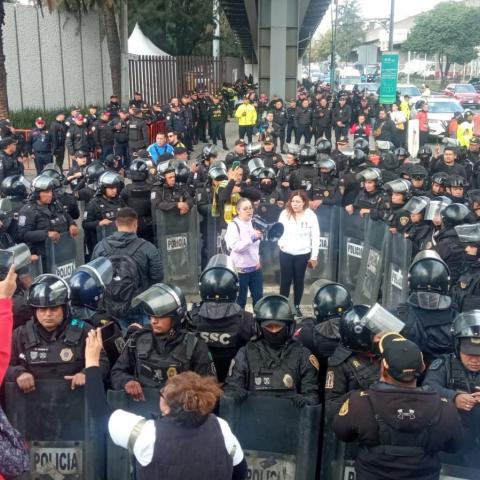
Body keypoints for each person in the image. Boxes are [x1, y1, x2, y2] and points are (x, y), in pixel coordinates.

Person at [86, 329, 247, 480]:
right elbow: (240, 472)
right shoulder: (221, 427)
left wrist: (92, 361)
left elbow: (99, 411)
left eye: (163, 392)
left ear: (165, 404)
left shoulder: (147, 435)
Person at [334, 333, 463, 480]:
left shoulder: (359, 402)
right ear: (422, 367)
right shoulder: (445, 407)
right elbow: (455, 446)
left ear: (383, 367)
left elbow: (341, 433)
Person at [6, 274, 110, 392]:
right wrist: (18, 374)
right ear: (35, 311)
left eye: (54, 309)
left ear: (64, 309)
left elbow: (103, 362)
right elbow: (4, 365)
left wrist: (86, 374)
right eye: (42, 309)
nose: (48, 314)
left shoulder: (85, 331)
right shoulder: (20, 334)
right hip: (34, 403)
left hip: (74, 401)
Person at [110, 283, 215, 396]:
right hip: (142, 408)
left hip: (179, 411)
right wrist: (127, 382)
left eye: (159, 317)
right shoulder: (138, 339)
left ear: (176, 317)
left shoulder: (194, 345)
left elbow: (209, 388)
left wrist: (185, 394)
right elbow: (117, 371)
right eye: (151, 316)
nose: (153, 321)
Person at [224, 295, 319, 407]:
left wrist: (306, 400)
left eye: (278, 326)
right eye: (269, 326)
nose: (274, 331)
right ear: (259, 326)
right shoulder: (245, 353)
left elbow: (312, 394)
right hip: (252, 419)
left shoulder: (303, 355)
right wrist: (234, 394)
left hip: (291, 420)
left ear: (289, 327)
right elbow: (231, 389)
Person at [187, 254, 258, 382]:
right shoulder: (247, 320)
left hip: (200, 386)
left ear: (202, 287)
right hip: (234, 384)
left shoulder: (191, 317)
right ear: (235, 288)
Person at [424, 310, 480, 466]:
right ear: (456, 345)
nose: (475, 360)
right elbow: (428, 388)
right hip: (449, 439)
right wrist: (453, 398)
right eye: (469, 353)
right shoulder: (444, 363)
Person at [91, 207, 163, 327]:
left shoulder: (100, 247)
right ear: (136, 224)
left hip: (110, 310)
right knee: (141, 342)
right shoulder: (148, 248)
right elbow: (158, 277)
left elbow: (94, 278)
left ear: (116, 223)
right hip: (139, 307)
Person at [325, 305, 382, 411]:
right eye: (375, 334)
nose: (380, 337)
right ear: (362, 338)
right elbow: (332, 405)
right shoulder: (340, 365)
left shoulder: (381, 352)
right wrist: (363, 396)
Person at [16, 175, 78, 263]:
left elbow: (67, 217)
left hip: (62, 252)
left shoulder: (56, 205)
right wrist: (46, 234)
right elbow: (23, 234)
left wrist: (72, 225)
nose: (50, 195)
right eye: (46, 192)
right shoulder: (27, 211)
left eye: (51, 191)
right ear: (37, 194)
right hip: (42, 257)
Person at [277, 190, 320, 317]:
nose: (295, 204)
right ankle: (282, 306)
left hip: (303, 254)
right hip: (286, 252)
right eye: (293, 201)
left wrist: (314, 256)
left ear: (304, 203)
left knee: (299, 281)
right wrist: (281, 244)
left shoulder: (310, 215)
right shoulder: (284, 214)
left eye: (298, 202)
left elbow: (315, 236)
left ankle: (296, 306)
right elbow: (278, 231)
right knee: (285, 280)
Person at [224, 197, 263, 309]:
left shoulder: (255, 222)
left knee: (259, 300)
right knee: (240, 302)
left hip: (255, 269)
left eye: (250, 208)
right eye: (245, 209)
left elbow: (259, 245)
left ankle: (257, 325)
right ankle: (239, 325)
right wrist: (252, 238)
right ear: (238, 211)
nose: (249, 211)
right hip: (240, 271)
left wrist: (258, 259)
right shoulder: (233, 225)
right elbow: (236, 247)